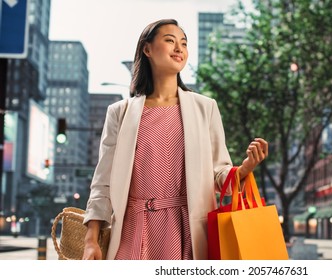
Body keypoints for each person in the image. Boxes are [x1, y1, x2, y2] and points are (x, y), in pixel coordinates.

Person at [82, 19, 268, 260]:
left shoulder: (206, 108)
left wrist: (245, 168)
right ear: (147, 49)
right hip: (131, 233)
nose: (179, 48)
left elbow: (219, 176)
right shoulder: (120, 112)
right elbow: (103, 182)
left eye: (183, 43)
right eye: (170, 40)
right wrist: (91, 240)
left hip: (186, 234)